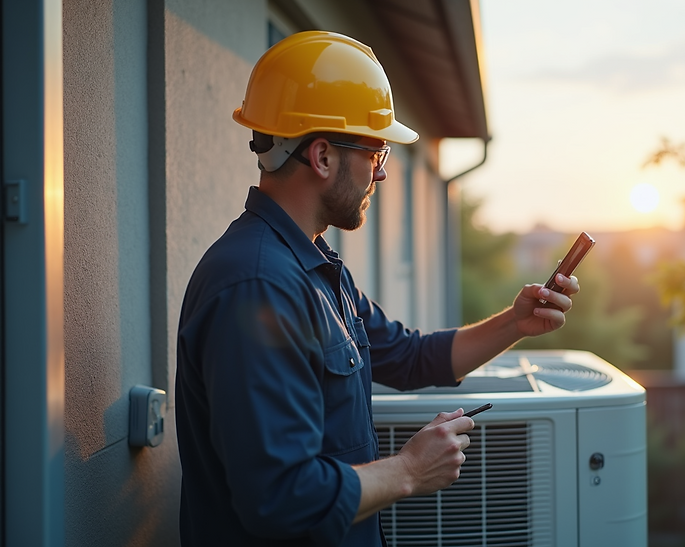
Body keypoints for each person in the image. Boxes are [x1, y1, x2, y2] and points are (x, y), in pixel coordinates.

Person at [175, 31, 579, 547]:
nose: (382, 173)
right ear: (322, 157)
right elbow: (279, 498)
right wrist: (409, 470)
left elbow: (411, 357)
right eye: (376, 151)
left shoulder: (315, 269)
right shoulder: (258, 287)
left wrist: (515, 322)